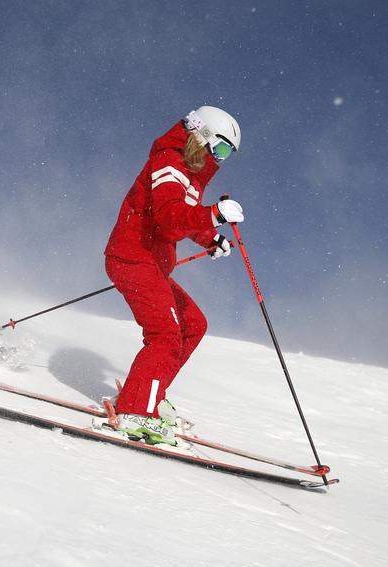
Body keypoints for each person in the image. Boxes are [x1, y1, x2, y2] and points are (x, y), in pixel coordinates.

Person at [101, 106, 245, 446]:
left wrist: (211, 238)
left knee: (193, 324)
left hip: (151, 264)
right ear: (204, 135)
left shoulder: (190, 175)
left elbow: (182, 217)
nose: (222, 160)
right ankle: (137, 411)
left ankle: (150, 393)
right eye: (222, 149)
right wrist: (212, 216)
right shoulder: (170, 162)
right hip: (133, 257)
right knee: (165, 334)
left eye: (229, 155)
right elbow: (169, 216)